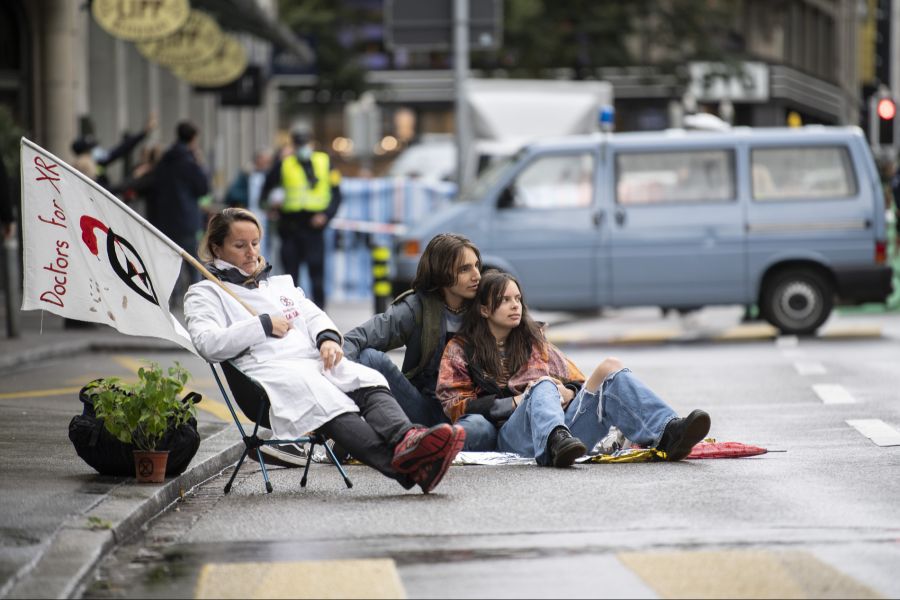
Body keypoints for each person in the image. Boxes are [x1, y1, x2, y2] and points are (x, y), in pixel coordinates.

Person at [183, 208, 465, 493]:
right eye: (240, 245)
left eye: (255, 243)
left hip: (310, 361)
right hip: (266, 376)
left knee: (366, 378)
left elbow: (314, 316)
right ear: (216, 248)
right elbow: (207, 344)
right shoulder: (205, 294)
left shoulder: (280, 285)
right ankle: (407, 468)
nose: (251, 252)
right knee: (328, 400)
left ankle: (407, 439)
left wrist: (327, 339)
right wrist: (263, 325)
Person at [437, 270, 712, 467]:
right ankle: (555, 441)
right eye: (505, 300)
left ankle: (668, 432)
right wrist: (516, 401)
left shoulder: (534, 342)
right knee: (543, 384)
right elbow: (454, 405)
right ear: (484, 310)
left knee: (611, 369)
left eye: (517, 299)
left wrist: (568, 392)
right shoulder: (461, 349)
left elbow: (578, 382)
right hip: (515, 435)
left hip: (567, 439)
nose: (515, 306)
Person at [343, 233, 498, 451]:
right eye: (465, 269)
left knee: (482, 428)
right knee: (368, 357)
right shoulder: (416, 308)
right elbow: (355, 339)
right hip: (422, 406)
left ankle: (424, 441)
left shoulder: (487, 305)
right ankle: (418, 438)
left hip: (469, 410)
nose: (477, 276)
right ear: (441, 272)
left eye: (476, 266)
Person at [267, 130, 341, 309]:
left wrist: (326, 215)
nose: (302, 148)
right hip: (290, 226)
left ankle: (320, 311)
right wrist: (272, 206)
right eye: (299, 144)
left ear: (311, 144)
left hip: (314, 227)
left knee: (317, 273)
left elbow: (337, 194)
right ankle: (293, 311)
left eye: (305, 144)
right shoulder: (284, 164)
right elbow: (266, 191)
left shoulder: (325, 162)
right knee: (290, 276)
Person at [147, 120, 210, 298]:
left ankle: (170, 297)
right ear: (193, 139)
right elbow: (203, 188)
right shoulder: (190, 162)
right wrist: (200, 164)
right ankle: (196, 296)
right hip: (186, 219)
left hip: (165, 219)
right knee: (192, 262)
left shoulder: (164, 160)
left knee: (169, 259)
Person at [71, 112, 157, 190]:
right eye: (90, 150)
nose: (95, 151)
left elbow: (121, 150)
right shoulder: (85, 166)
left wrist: (144, 133)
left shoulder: (98, 162)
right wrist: (134, 177)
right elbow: (107, 190)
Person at [224, 149, 273, 256]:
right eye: (264, 160)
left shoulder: (269, 175)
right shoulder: (247, 174)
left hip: (264, 214)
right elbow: (232, 193)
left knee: (264, 244)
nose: (266, 163)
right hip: (249, 212)